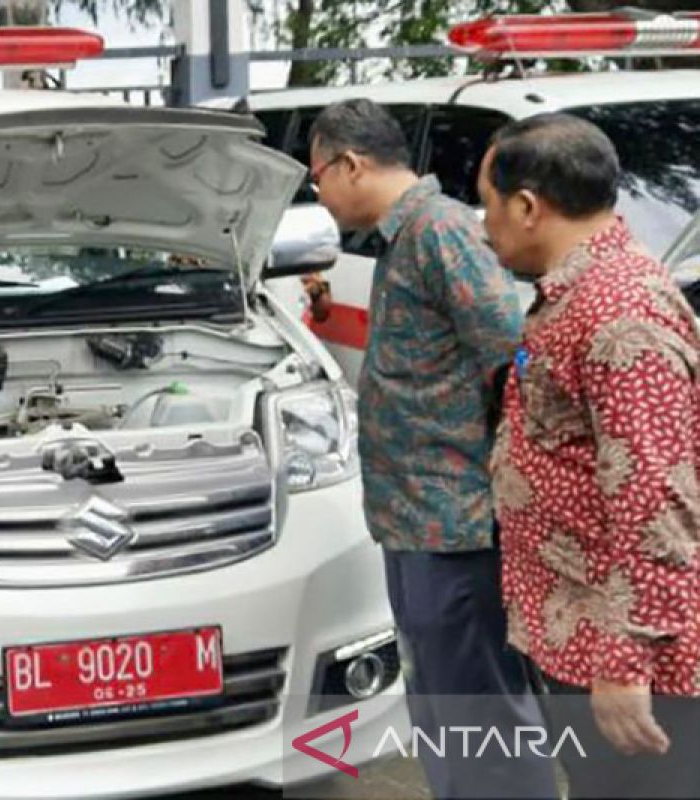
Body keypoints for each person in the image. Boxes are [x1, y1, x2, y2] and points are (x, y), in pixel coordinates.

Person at [308, 98, 557, 799]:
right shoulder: (406, 235)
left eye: (318, 176)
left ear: (350, 164)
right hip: (416, 521)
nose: (319, 195)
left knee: (482, 713)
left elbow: (516, 357)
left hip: (456, 525)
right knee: (444, 708)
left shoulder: (440, 231)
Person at [481, 113, 700, 799]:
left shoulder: (621, 314)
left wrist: (627, 661)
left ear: (526, 206)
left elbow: (656, 498)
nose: (484, 226)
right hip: (577, 630)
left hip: (627, 662)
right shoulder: (575, 294)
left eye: (487, 207)